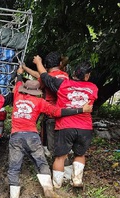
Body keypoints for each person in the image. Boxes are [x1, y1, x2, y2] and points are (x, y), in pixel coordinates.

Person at [5, 65, 93, 198]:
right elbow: (58, 112)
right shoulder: (40, 102)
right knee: (41, 163)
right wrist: (80, 110)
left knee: (14, 168)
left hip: (16, 137)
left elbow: (18, 81)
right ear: (37, 92)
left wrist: (20, 73)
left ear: (23, 90)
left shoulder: (17, 95)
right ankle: (48, 190)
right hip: (32, 137)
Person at [33, 56, 98, 188]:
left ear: (73, 73)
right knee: (80, 154)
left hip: (65, 126)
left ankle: (57, 185)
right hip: (85, 127)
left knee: (60, 157)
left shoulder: (63, 84)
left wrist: (39, 62)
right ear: (86, 76)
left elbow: (44, 76)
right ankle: (77, 181)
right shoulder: (93, 88)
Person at [22, 51, 69, 156]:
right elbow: (40, 74)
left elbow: (38, 81)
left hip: (50, 113)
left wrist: (21, 79)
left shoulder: (47, 77)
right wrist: (26, 68)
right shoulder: (65, 75)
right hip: (64, 113)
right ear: (60, 64)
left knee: (51, 141)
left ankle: (52, 160)